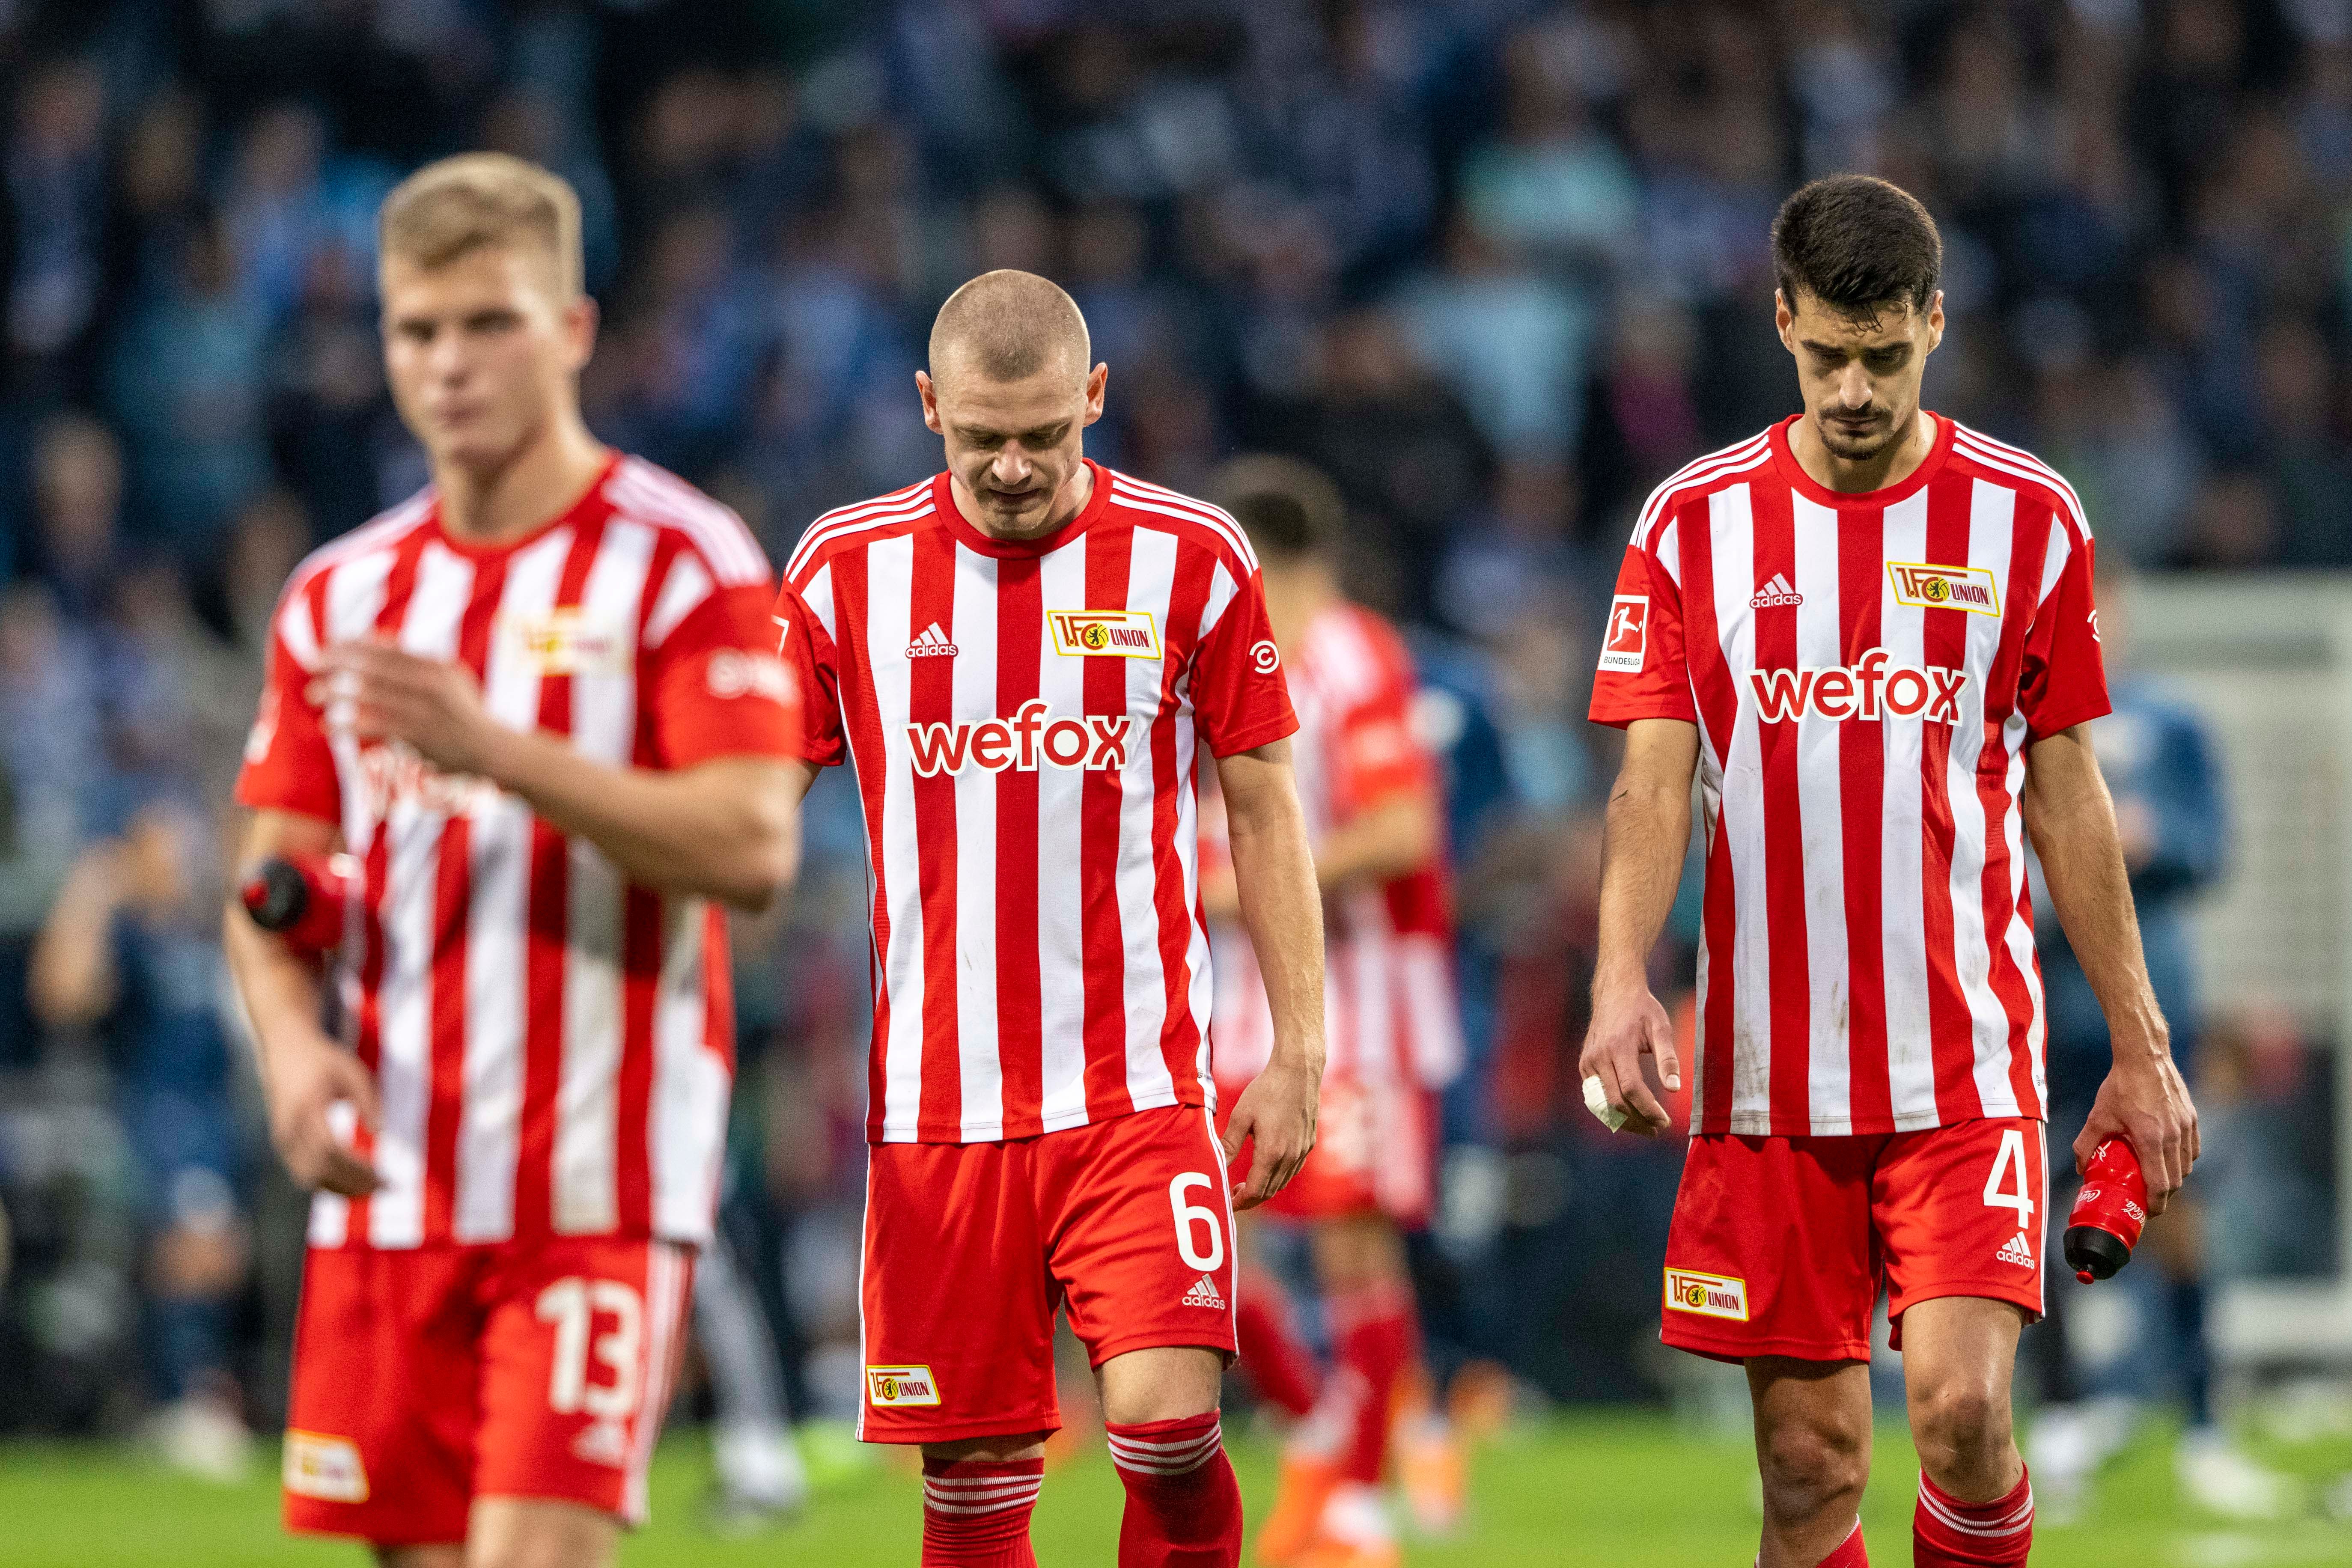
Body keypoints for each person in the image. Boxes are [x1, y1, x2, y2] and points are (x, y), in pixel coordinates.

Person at [1579, 175, 2198, 1568]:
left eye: (1885, 353)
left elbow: (2065, 793)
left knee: (1967, 1413)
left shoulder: (2027, 517)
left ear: (1935, 320)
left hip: (1962, 1066)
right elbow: (1650, 781)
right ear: (1782, 320)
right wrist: (1620, 981)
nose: (1853, 388)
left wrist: (2141, 1046)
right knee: (1807, 1473)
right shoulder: (1689, 523)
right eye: (1825, 355)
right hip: (1763, 1078)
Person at [223, 154, 804, 1568]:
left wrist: (500, 750)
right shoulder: (344, 595)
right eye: (418, 330)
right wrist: (293, 1057)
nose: (450, 364)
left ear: (574, 330)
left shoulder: (684, 564)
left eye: (490, 323)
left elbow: (752, 844)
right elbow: (268, 885)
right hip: (392, 1191)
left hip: (594, 1189)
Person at [770, 268, 1326, 1568]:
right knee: (969, 1481)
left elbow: (1263, 806)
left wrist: (1296, 1051)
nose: (1013, 467)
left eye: (1041, 434)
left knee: (1166, 1429)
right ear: (925, 409)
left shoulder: (1191, 557)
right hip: (935, 1114)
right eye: (980, 439)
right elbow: (744, 805)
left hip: (1135, 1092)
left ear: (1093, 397)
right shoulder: (840, 571)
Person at [1198, 455, 1465, 1568]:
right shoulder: (1218, 657)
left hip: (1358, 1005)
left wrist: (1247, 883)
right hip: (1232, 1003)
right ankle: (1331, 1434)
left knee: (1356, 1248)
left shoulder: (1352, 657)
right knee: (1218, 1242)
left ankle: (1352, 1500)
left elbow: (1402, 829)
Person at [2024, 559, 2289, 1520]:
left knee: (2178, 1212)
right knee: (2034, 1212)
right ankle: (2056, 1421)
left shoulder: (2168, 720)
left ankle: (2203, 1423)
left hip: (2147, 1008)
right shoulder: (2012, 722)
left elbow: (2207, 843)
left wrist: (2148, 838)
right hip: (2041, 1007)